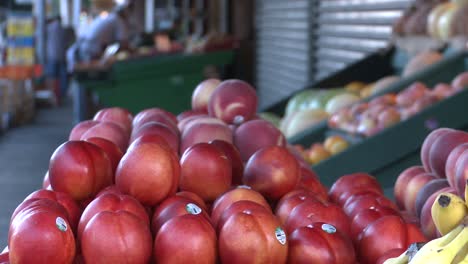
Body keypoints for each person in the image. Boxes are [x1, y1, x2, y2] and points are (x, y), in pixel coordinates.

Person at [46, 15, 67, 104]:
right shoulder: (62, 29)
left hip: (52, 55)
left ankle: (55, 97)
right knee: (62, 77)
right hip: (61, 55)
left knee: (53, 77)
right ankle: (61, 95)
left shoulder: (49, 28)